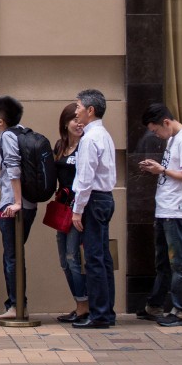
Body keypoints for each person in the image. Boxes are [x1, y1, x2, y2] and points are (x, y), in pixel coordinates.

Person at [137, 103, 182, 327]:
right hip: (165, 208)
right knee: (163, 261)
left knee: (178, 262)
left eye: (155, 130)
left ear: (166, 122)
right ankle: (155, 304)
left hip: (176, 209)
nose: (156, 135)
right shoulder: (173, 139)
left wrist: (161, 170)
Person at [0, 95, 35, 320]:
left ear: (1, 121)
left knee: (12, 256)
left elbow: (13, 168)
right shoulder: (21, 131)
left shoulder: (6, 138)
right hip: (28, 204)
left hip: (13, 205)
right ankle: (18, 304)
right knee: (15, 254)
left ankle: (16, 305)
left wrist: (16, 201)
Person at [70, 90, 118, 329]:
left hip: (94, 201)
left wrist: (78, 209)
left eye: (78, 106)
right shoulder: (103, 135)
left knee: (94, 259)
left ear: (90, 110)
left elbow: (86, 178)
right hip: (104, 198)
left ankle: (99, 314)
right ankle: (106, 311)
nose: (75, 110)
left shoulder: (90, 138)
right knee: (103, 258)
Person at [52, 102, 87, 324]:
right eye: (74, 119)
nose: (78, 123)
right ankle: (78, 304)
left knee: (74, 258)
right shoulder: (59, 146)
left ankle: (85, 307)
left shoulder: (86, 145)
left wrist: (80, 210)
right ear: (65, 123)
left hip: (78, 210)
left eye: (81, 119)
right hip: (62, 209)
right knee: (64, 261)